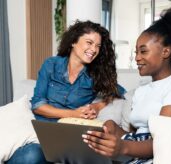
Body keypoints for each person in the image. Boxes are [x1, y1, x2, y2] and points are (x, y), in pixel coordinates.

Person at [82, 7, 171, 163]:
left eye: (143, 51)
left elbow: (163, 142)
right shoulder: (142, 90)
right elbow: (136, 137)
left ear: (165, 52)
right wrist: (114, 129)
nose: (137, 58)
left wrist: (122, 147)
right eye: (136, 52)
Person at [6, 20, 125, 164]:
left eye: (97, 46)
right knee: (31, 156)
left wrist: (97, 106)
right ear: (73, 42)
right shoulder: (51, 64)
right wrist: (74, 113)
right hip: (39, 130)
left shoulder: (96, 74)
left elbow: (117, 91)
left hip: (68, 134)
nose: (93, 49)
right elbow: (38, 105)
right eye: (89, 42)